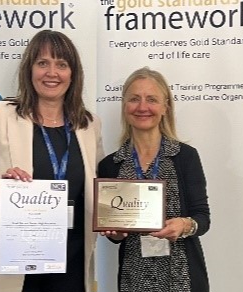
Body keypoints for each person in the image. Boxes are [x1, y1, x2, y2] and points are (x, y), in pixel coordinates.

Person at [0, 30, 104, 292]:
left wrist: (116, 222)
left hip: (70, 259)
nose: (52, 73)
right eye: (43, 63)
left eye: (62, 64)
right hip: (12, 261)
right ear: (30, 70)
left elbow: (97, 190)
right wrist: (6, 189)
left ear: (73, 74)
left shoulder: (89, 124)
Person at [97, 67, 211, 292]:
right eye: (134, 99)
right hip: (134, 278)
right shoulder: (110, 165)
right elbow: (115, 234)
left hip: (181, 278)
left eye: (151, 99)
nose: (142, 107)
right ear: (125, 106)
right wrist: (116, 234)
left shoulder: (185, 157)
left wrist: (184, 224)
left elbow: (203, 218)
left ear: (165, 107)